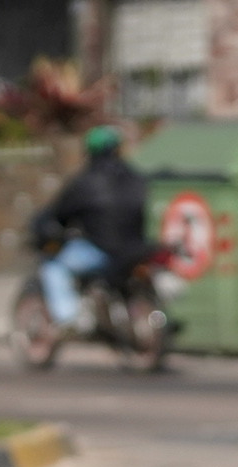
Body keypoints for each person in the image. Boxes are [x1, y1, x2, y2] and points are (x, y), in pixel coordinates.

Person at [31, 125, 149, 332]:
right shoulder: (134, 177)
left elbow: (59, 213)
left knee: (53, 265)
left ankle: (68, 317)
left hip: (102, 251)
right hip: (136, 247)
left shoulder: (85, 181)